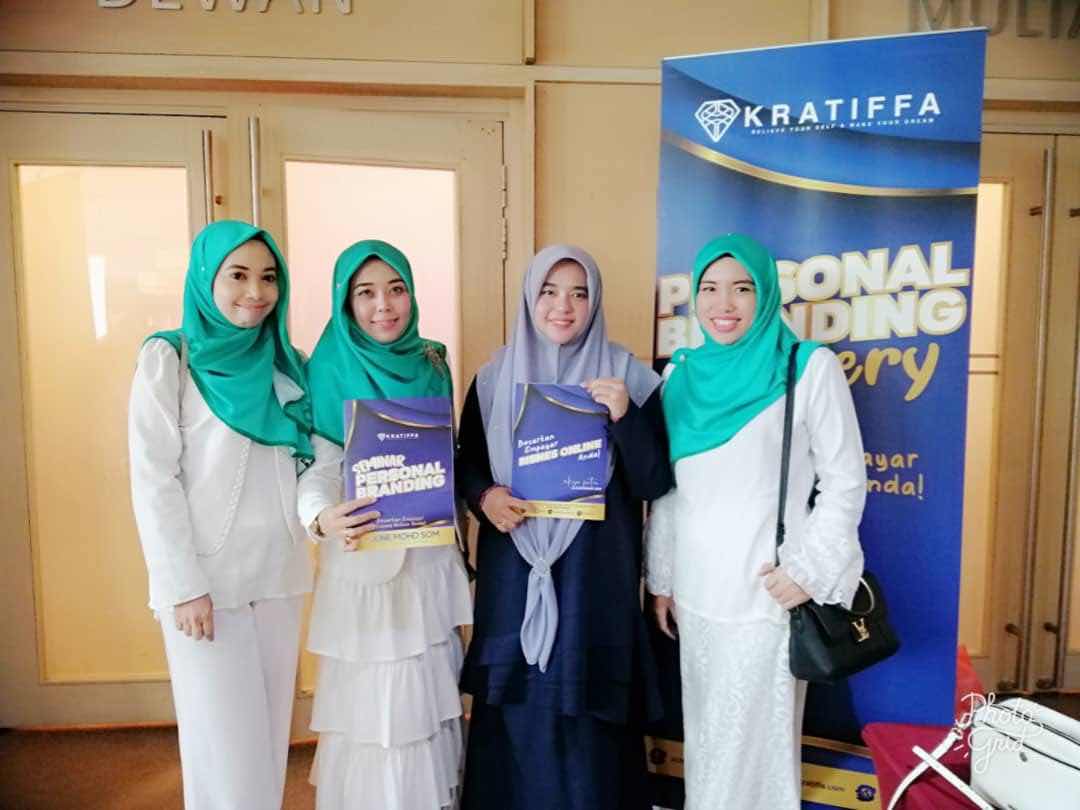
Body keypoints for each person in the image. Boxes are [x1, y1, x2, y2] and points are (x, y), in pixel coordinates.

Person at [645, 233, 867, 808]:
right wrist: (662, 580)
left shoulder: (807, 367)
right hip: (697, 594)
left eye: (742, 288)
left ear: (765, 293)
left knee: (757, 751)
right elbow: (671, 490)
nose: (724, 304)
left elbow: (844, 481)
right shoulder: (679, 377)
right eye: (710, 289)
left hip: (767, 593)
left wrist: (807, 571)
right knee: (707, 742)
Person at [457, 245, 673, 810]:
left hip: (592, 582)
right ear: (529, 299)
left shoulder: (631, 379)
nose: (563, 306)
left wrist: (625, 417)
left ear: (595, 302)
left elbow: (654, 480)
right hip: (515, 573)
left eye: (579, 293)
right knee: (517, 715)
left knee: (591, 726)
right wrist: (485, 497)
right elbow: (467, 464)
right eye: (549, 292)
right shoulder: (493, 379)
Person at [128, 220, 315, 809]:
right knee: (222, 752)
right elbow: (153, 480)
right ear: (206, 278)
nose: (255, 292)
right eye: (238, 275)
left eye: (268, 278)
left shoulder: (289, 364)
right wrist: (182, 585)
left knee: (267, 748)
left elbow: (310, 463)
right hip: (205, 584)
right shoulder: (170, 358)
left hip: (279, 574)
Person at [299, 239, 472, 810]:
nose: (384, 306)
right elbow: (319, 465)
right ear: (346, 302)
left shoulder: (432, 362)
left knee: (427, 706)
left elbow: (446, 455)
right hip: (364, 569)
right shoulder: (325, 367)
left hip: (427, 565)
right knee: (372, 717)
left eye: (396, 289)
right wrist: (320, 516)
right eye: (366, 293)